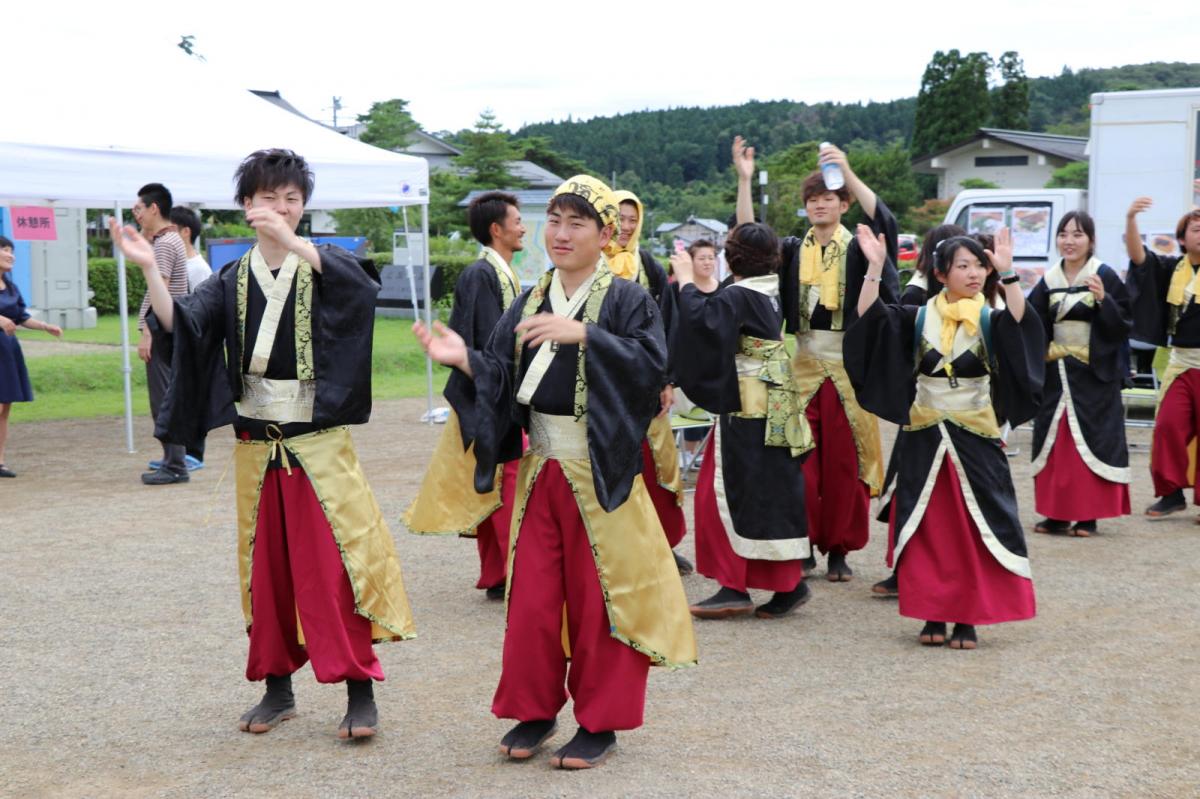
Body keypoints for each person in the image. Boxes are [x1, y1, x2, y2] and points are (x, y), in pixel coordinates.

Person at [110, 149, 415, 740]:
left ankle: (359, 688)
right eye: (268, 198)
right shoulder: (230, 278)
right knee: (265, 574)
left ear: (303, 207)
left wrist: (297, 244)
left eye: (292, 199)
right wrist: (150, 268)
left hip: (318, 449)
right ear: (246, 205)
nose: (280, 208)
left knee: (335, 570)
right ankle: (277, 689)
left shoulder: (327, 265)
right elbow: (183, 326)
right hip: (256, 448)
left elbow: (360, 293)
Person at [414, 175, 696, 770]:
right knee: (534, 600)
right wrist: (463, 359)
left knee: (600, 599)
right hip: (542, 468)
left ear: (603, 235)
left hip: (599, 473)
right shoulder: (531, 296)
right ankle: (536, 710)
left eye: (577, 224)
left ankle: (601, 722)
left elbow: (652, 370)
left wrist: (588, 334)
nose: (561, 235)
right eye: (555, 222)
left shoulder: (626, 299)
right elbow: (498, 371)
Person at [846, 228, 1042, 649]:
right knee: (928, 527)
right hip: (924, 434)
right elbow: (870, 318)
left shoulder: (990, 317)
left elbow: (1024, 326)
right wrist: (876, 267)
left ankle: (968, 617)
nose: (974, 273)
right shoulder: (917, 316)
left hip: (977, 434)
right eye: (963, 266)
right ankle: (933, 612)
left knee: (975, 525)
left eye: (979, 265)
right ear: (940, 274)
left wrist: (1008, 278)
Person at [733, 135, 898, 582]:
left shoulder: (861, 246)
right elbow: (748, 243)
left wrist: (847, 171)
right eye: (813, 199)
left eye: (829, 197)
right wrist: (745, 181)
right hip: (802, 364)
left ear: (843, 204)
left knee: (846, 466)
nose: (820, 205)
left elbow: (884, 219)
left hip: (849, 368)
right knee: (798, 464)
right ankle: (800, 544)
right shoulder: (790, 249)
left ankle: (840, 550)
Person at [671, 223, 815, 620]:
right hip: (777, 401)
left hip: (749, 405)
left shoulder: (739, 294)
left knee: (722, 493)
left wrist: (685, 280)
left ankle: (735, 585)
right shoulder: (769, 290)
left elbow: (702, 323)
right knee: (773, 490)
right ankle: (788, 581)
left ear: (731, 257)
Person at [404, 191, 525, 599]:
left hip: (494, 385)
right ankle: (510, 571)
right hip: (488, 389)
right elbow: (485, 338)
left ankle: (499, 572)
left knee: (499, 481)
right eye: (517, 220)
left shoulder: (502, 270)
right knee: (503, 481)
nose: (523, 226)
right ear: (497, 230)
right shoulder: (481, 273)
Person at [872, 223, 969, 597]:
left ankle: (960, 577)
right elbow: (894, 344)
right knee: (911, 491)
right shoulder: (916, 296)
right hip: (922, 410)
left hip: (967, 418)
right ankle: (904, 569)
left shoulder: (982, 305)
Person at [1027, 211, 1132, 536]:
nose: (1069, 241)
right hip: (1056, 372)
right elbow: (1032, 324)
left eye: (1077, 234)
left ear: (1091, 240)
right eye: (1063, 234)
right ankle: (1056, 514)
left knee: (1090, 441)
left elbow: (1123, 325)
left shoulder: (1103, 275)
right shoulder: (1048, 280)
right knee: (1056, 443)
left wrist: (1104, 300)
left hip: (1093, 374)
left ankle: (1088, 515)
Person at [604, 190, 691, 573]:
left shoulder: (649, 267)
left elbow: (666, 328)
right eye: (619, 218)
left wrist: (666, 380)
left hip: (643, 381)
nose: (625, 227)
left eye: (632, 219)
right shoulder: (589, 263)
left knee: (655, 465)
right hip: (603, 381)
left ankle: (660, 543)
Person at [1125, 199, 1200, 518]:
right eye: (1196, 229)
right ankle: (1171, 493)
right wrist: (1130, 218)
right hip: (1181, 361)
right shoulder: (1171, 269)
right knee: (1168, 426)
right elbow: (1138, 257)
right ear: (1182, 239)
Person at [132, 183, 191, 485]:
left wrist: (148, 333)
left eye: (139, 209)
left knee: (164, 398)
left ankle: (176, 464)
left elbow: (160, 290)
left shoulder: (166, 244)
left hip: (164, 331)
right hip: (171, 329)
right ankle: (172, 461)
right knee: (167, 396)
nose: (136, 215)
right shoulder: (167, 239)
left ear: (154, 208)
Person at [0, 235, 62, 477]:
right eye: (4, 249)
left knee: (5, 407)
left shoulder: (11, 287)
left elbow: (21, 317)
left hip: (7, 351)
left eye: (11, 250)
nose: (10, 254)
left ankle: (0, 460)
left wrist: (46, 326)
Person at [167, 205, 211, 470]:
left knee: (193, 398)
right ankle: (177, 453)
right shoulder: (176, 263)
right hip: (177, 342)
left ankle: (195, 453)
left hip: (196, 344)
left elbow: (205, 311)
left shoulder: (198, 268)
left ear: (185, 232)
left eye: (170, 229)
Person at [676, 239, 721, 464]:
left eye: (711, 257)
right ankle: (688, 452)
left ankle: (707, 453)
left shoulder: (724, 288)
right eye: (701, 258)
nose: (707, 262)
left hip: (715, 361)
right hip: (688, 358)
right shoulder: (682, 290)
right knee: (689, 408)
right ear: (690, 262)